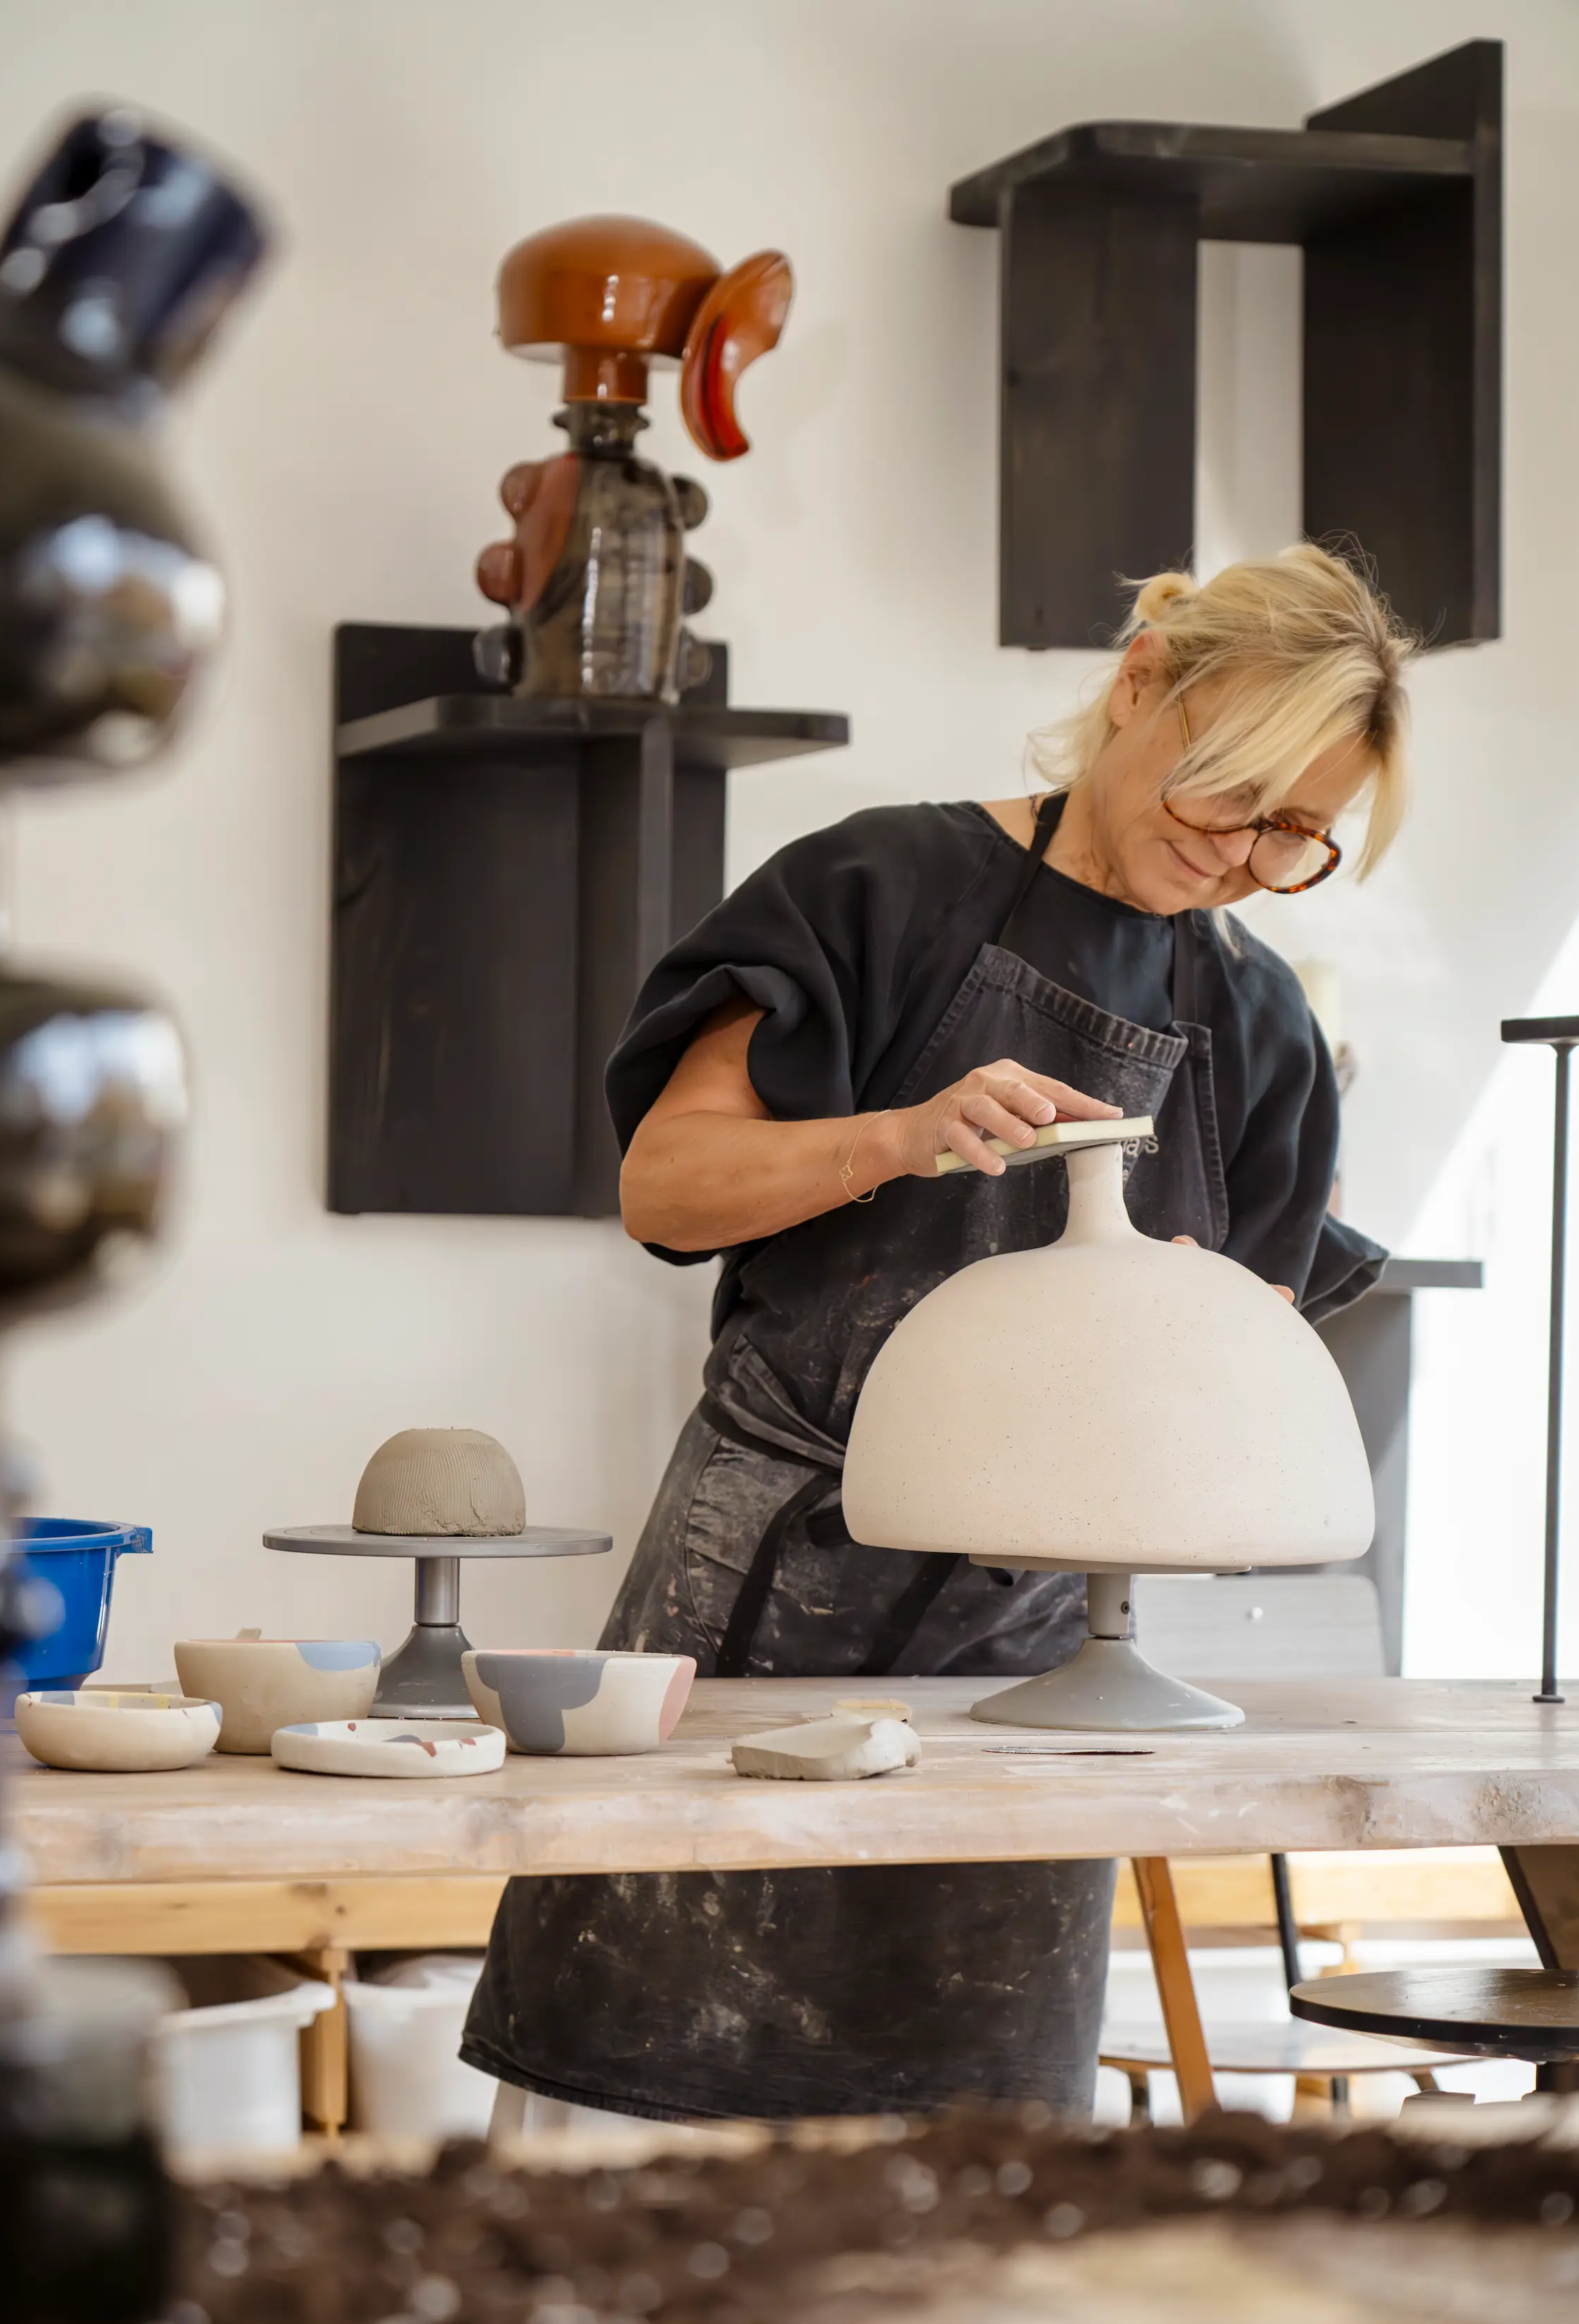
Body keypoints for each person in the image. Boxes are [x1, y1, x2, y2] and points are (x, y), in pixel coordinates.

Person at [462, 546, 1414, 2125]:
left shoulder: (1256, 1027)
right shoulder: (881, 890)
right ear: (1138, 687)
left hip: (1037, 1648)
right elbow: (669, 1183)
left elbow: (1240, 1362)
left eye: (1299, 836)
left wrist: (1209, 1332)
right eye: (1231, 797)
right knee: (634, 2118)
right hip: (766, 1591)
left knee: (965, 2166)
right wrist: (901, 1135)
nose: (1248, 857)